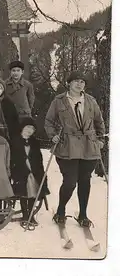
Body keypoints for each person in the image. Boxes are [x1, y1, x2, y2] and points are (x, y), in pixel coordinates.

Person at [45, 71, 106, 227]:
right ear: (69, 83)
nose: (80, 84)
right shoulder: (59, 101)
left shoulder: (91, 101)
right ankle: (60, 210)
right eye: (76, 81)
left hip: (88, 146)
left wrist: (100, 139)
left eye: (82, 82)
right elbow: (49, 121)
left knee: (85, 181)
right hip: (67, 146)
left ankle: (83, 214)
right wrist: (53, 135)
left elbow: (99, 121)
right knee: (70, 182)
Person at [10, 117, 49, 226]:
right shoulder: (15, 141)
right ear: (22, 128)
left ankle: (31, 215)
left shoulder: (35, 142)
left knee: (33, 193)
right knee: (23, 193)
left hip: (34, 170)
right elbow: (11, 158)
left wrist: (41, 172)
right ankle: (25, 215)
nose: (29, 130)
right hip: (21, 170)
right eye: (27, 127)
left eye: (32, 128)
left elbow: (38, 158)